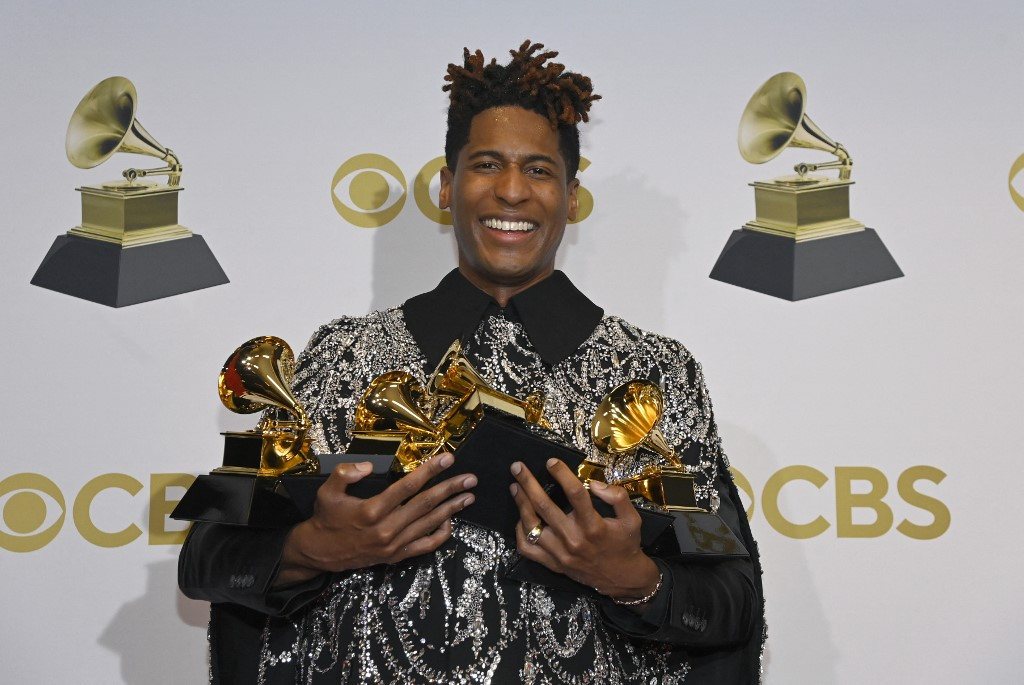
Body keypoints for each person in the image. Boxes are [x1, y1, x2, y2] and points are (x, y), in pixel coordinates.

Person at [179, 40, 764, 684]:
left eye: (539, 170)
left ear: (572, 197)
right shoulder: (338, 353)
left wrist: (631, 577)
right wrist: (312, 548)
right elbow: (205, 558)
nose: (512, 191)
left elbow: (733, 600)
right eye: (487, 165)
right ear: (446, 187)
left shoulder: (654, 372)